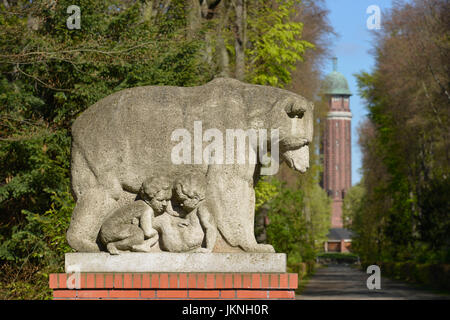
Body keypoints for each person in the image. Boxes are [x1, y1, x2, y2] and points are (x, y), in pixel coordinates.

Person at [99, 176, 172, 254]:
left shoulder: (139, 204)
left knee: (137, 233)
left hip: (108, 230)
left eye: (167, 200)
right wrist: (156, 233)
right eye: (160, 200)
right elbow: (147, 232)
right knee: (138, 234)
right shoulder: (146, 208)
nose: (164, 204)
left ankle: (138, 246)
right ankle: (114, 245)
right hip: (111, 230)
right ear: (147, 199)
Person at [153, 175, 217, 253]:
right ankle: (147, 236)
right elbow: (175, 213)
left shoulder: (203, 208)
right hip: (182, 240)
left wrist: (209, 248)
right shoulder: (191, 209)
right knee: (163, 219)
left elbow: (210, 228)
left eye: (183, 200)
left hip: (186, 242)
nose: (181, 204)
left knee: (162, 220)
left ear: (195, 199)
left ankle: (145, 228)